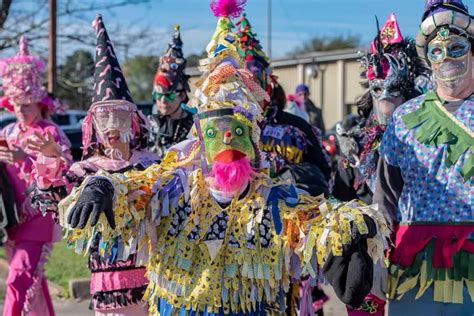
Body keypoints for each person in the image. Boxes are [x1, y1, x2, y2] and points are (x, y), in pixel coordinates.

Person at [32, 15, 158, 315]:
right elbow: (54, 204)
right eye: (104, 120)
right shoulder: (84, 171)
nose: (112, 128)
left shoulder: (153, 166)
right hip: (108, 285)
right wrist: (51, 160)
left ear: (133, 121)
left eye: (118, 117)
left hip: (156, 282)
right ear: (94, 127)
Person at [373, 1, 473, 315]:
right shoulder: (404, 117)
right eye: (436, 51)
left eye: (456, 48)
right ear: (427, 58)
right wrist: (374, 257)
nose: (446, 59)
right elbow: (385, 196)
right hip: (414, 267)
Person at [0, 36, 72, 316]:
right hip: (11, 218)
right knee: (31, 282)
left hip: (38, 218)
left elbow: (65, 171)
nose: (21, 109)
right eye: (16, 104)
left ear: (40, 103)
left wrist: (28, 158)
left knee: (19, 276)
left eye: (27, 103)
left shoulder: (51, 133)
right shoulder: (8, 132)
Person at [148, 25, 194, 159]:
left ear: (182, 95)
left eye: (169, 95)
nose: (162, 102)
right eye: (158, 95)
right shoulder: (149, 124)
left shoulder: (194, 126)